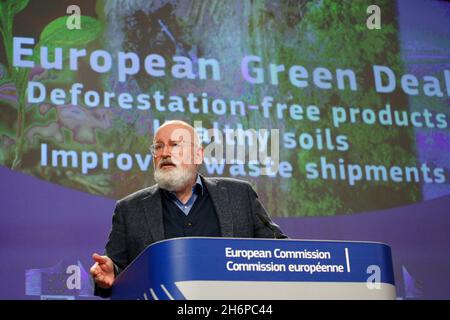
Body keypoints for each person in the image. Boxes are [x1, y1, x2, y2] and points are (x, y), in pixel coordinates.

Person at [90, 120, 287, 297]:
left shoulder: (239, 194)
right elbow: (113, 270)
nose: (165, 153)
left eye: (175, 145)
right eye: (158, 147)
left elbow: (279, 251)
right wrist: (108, 275)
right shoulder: (129, 209)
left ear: (198, 155)